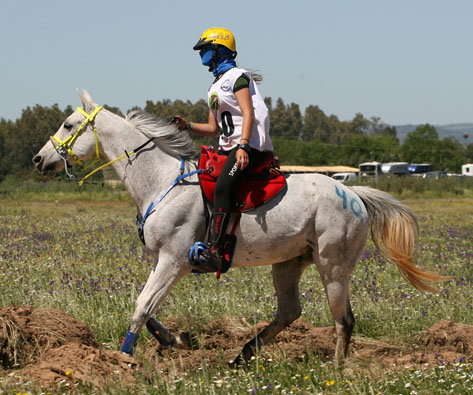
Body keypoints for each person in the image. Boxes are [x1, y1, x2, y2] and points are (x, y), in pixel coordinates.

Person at [175, 27, 273, 271]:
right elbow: (212, 128)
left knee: (223, 186)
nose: (202, 55)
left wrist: (242, 146)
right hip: (228, 146)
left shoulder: (238, 77)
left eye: (205, 49)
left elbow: (248, 113)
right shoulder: (215, 86)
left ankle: (217, 250)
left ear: (218, 50)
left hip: (247, 146)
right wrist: (187, 125)